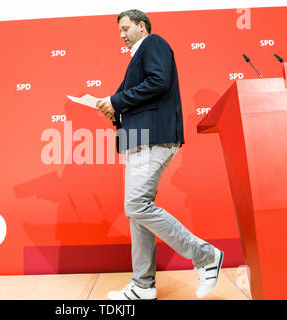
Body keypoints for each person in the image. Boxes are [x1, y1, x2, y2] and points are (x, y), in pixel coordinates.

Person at [96, 9, 224, 300]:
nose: (121, 35)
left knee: (137, 205)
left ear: (142, 26)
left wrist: (115, 100)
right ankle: (142, 286)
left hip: (153, 138)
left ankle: (205, 256)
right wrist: (113, 109)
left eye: (126, 28)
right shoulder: (137, 57)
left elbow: (158, 82)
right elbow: (139, 96)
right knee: (136, 214)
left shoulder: (153, 44)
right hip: (139, 139)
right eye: (119, 31)